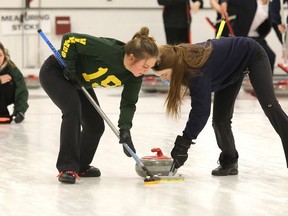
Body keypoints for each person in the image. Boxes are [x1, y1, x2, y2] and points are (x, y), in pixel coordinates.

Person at [152, 36, 288, 176]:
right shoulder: (184, 62)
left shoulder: (194, 71)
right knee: (220, 120)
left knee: (270, 105)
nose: (163, 79)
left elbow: (201, 111)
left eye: (164, 74)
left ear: (174, 65)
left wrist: (184, 142)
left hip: (252, 54)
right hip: (229, 70)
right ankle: (229, 161)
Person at [39, 27, 159, 184]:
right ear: (131, 58)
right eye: (144, 66)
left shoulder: (134, 76)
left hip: (79, 81)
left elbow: (129, 102)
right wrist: (70, 65)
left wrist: (125, 129)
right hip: (56, 72)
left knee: (95, 125)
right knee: (72, 108)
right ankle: (67, 167)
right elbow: (70, 39)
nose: (146, 70)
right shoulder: (108, 50)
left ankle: (80, 165)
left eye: (149, 67)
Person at [218, 0, 276, 73]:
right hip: (241, 37)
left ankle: (266, 81)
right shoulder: (248, 1)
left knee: (270, 56)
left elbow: (275, 24)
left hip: (257, 38)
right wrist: (224, 3)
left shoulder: (271, 6)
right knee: (234, 60)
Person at [0, 42, 29, 124]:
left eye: (0, 55)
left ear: (4, 55)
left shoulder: (11, 68)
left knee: (9, 83)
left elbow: (22, 89)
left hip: (6, 97)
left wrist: (20, 111)